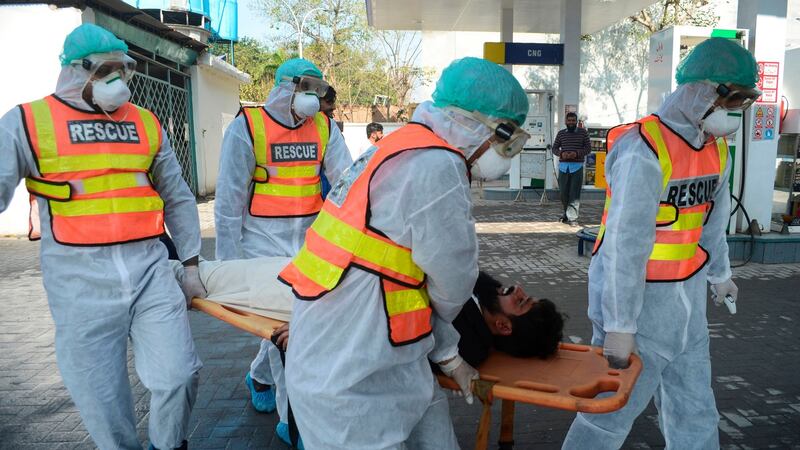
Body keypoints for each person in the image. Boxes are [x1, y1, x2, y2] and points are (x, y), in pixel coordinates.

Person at [278, 56, 530, 449]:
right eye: (506, 139)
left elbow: (404, 281)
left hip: (383, 360)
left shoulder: (402, 145)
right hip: (349, 383)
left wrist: (447, 356)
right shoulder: (437, 165)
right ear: (485, 126)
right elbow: (453, 283)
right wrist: (449, 348)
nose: (504, 153)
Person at [0, 24, 204, 450]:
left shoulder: (145, 122)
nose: (118, 80)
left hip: (150, 270)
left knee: (179, 374)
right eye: (106, 71)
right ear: (76, 70)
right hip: (79, 282)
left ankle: (169, 445)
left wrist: (190, 266)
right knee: (103, 397)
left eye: (123, 69)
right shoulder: (28, 122)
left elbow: (178, 196)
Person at [562, 38, 758, 449]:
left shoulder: (716, 149)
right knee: (610, 412)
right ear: (701, 91)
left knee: (695, 408)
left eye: (743, 102)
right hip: (639, 309)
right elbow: (625, 244)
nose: (735, 111)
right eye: (732, 99)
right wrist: (620, 325)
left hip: (687, 308)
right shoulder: (644, 147)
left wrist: (720, 274)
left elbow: (713, 222)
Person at [214, 58, 352, 447]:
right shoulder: (248, 127)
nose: (313, 97)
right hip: (262, 242)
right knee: (286, 325)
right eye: (306, 88)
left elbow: (347, 182)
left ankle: (258, 376)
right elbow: (228, 199)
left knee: (298, 323)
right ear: (284, 87)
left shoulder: (324, 127)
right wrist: (229, 265)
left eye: (318, 90)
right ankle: (293, 423)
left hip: (310, 241)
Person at [452, 271, 565, 368]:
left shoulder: (460, 343)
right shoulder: (486, 288)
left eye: (520, 301)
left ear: (503, 326)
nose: (517, 288)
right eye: (525, 296)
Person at [552, 112, 591, 225]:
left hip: (577, 167)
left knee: (574, 194)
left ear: (576, 121)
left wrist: (576, 153)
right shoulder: (561, 134)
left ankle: (573, 218)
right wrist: (561, 154)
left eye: (573, 120)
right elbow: (554, 148)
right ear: (566, 121)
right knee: (563, 193)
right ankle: (566, 214)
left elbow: (588, 148)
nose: (571, 122)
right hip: (563, 167)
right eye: (569, 120)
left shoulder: (583, 133)